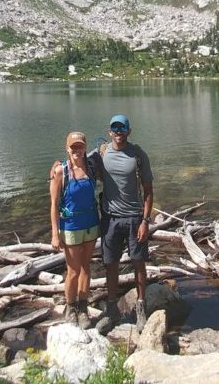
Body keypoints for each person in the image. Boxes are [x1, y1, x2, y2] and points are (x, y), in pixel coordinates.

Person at [93, 114, 154, 334]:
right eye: (114, 128)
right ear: (109, 132)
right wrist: (58, 167)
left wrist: (145, 221)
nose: (118, 132)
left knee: (138, 262)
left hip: (134, 217)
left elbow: (148, 191)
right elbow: (76, 161)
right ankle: (111, 310)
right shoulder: (101, 153)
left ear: (129, 131)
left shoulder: (138, 155)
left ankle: (140, 308)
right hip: (109, 218)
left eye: (122, 128)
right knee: (111, 264)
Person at [49, 131, 102, 328]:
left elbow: (106, 154)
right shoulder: (60, 172)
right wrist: (55, 234)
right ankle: (70, 307)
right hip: (70, 226)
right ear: (67, 148)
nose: (77, 150)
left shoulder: (92, 167)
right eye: (73, 147)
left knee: (86, 268)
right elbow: (54, 204)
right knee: (72, 271)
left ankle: (83, 308)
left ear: (85, 147)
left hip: (91, 223)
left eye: (80, 146)